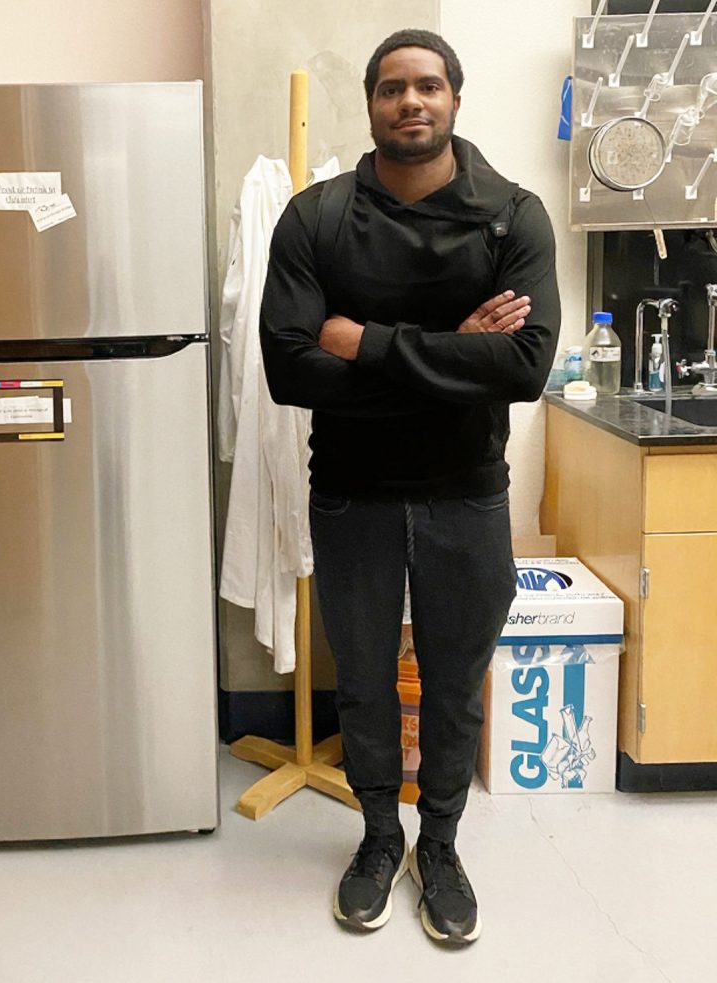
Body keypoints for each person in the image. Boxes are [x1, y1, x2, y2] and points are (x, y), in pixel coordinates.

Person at [259, 29, 561, 944]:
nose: (411, 102)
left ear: (456, 100)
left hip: (467, 488)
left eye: (429, 85)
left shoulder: (514, 215)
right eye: (393, 88)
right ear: (372, 104)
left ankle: (440, 844)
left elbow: (523, 366)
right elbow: (289, 370)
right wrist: (454, 348)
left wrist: (367, 342)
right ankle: (377, 837)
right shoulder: (315, 219)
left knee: (456, 679)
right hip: (351, 489)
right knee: (361, 679)